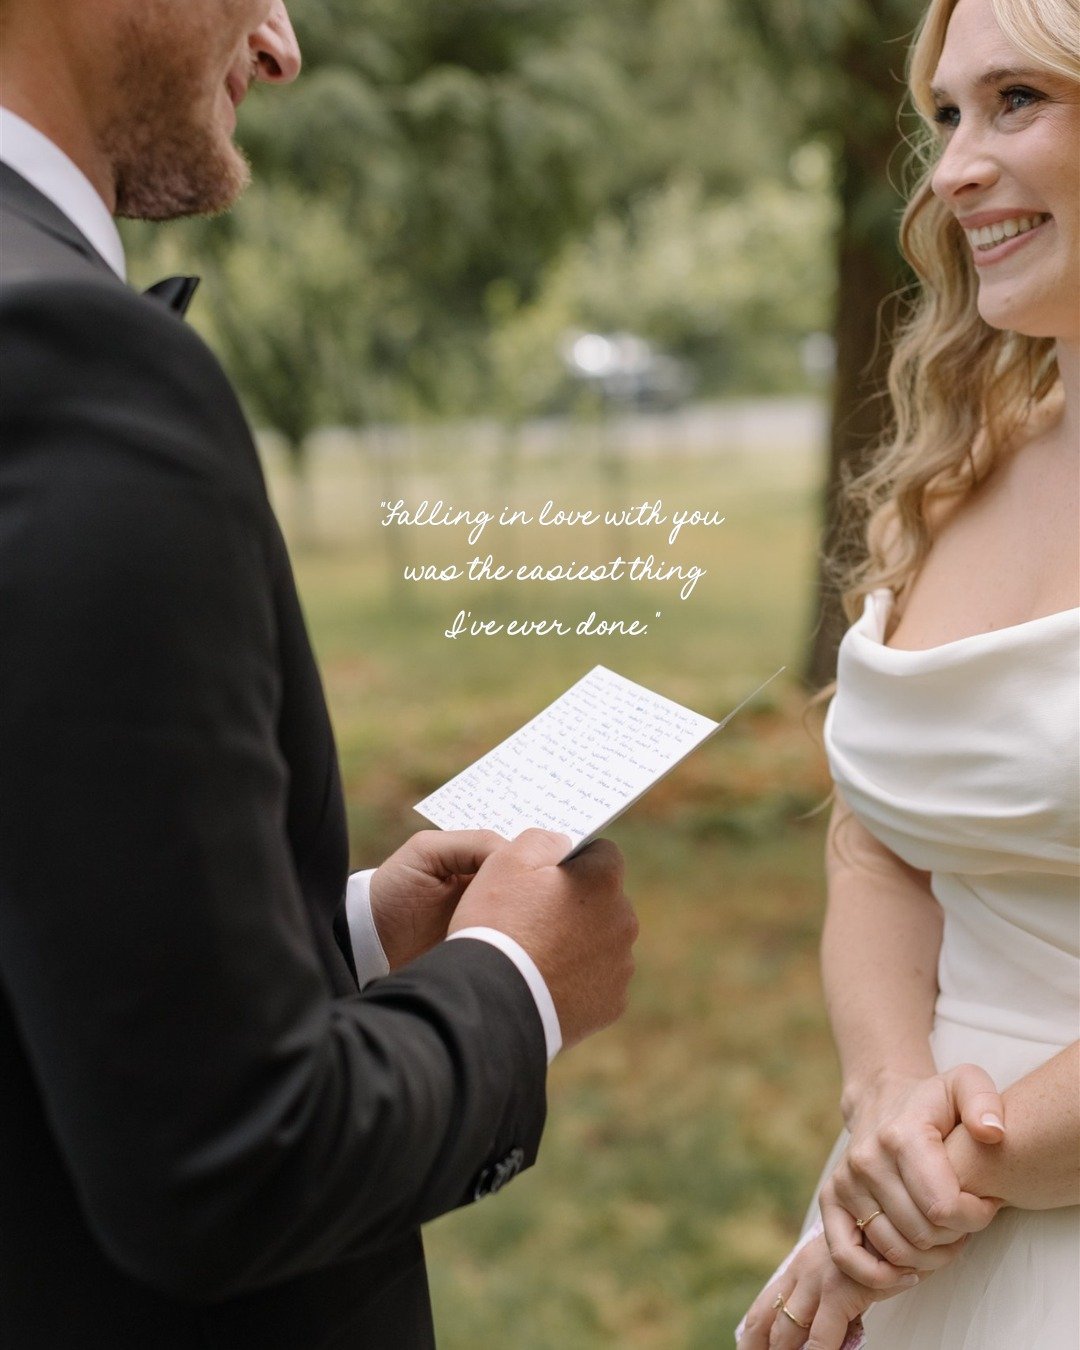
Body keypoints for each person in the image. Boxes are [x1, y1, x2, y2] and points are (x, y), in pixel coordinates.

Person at [0, 2, 639, 1346]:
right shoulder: (71, 360)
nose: (282, 47)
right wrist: (515, 986)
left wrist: (339, 938)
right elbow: (230, 1164)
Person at [738, 0, 1079, 1345]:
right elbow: (877, 844)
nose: (952, 171)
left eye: (1015, 103)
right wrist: (884, 1095)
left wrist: (929, 1182)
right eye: (946, 115)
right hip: (920, 1229)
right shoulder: (965, 464)